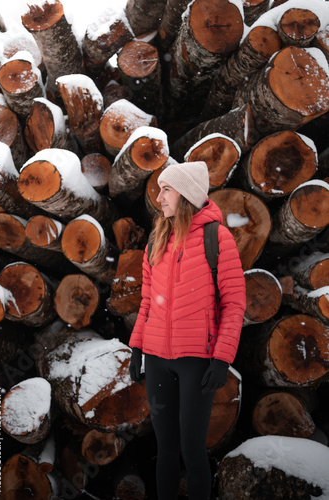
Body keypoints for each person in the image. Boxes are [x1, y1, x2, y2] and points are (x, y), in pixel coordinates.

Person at [129, 161, 246, 500]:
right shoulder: (156, 241)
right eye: (160, 188)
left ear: (186, 194)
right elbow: (147, 302)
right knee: (165, 450)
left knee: (193, 452)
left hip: (197, 360)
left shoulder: (217, 238)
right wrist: (137, 348)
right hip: (157, 359)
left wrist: (222, 359)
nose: (159, 196)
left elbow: (234, 303)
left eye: (166, 189)